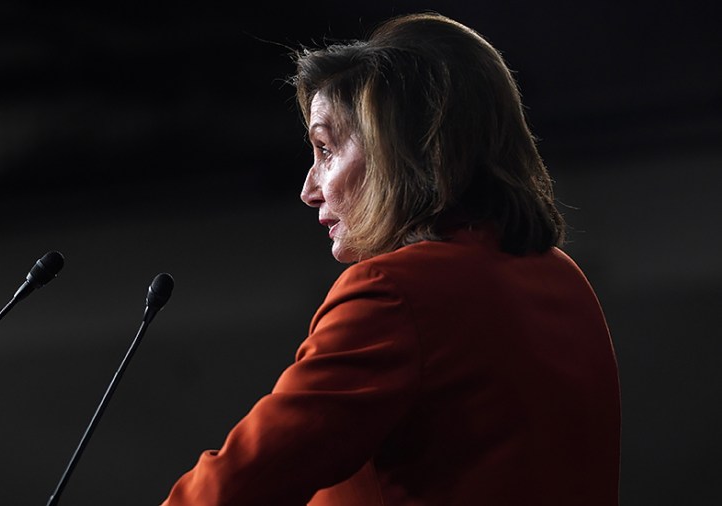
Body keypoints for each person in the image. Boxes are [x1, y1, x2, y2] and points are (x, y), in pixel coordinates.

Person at [161, 11, 621, 506]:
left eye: (325, 148)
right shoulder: (562, 277)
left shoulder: (394, 292)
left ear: (401, 150)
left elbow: (236, 486)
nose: (309, 189)